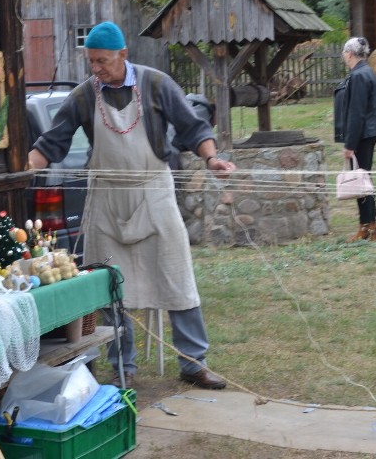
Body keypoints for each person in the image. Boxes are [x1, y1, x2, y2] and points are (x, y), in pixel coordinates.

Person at [28, 21, 234, 389]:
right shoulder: (83, 96)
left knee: (178, 278)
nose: (96, 68)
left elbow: (193, 127)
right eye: (91, 61)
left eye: (103, 61)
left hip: (154, 194)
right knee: (107, 288)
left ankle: (193, 363)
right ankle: (124, 366)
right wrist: (24, 168)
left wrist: (212, 159)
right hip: (106, 200)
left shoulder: (156, 84)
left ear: (123, 55)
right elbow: (51, 143)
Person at [334, 37, 376, 242]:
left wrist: (350, 145)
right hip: (369, 132)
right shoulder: (366, 71)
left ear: (349, 53)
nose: (343, 56)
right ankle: (368, 225)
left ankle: (368, 226)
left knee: (361, 180)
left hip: (363, 134)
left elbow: (357, 113)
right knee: (363, 178)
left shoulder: (358, 75)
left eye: (344, 52)